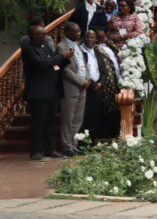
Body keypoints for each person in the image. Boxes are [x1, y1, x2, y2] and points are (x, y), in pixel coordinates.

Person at [23, 25, 72, 161]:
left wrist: (65, 59)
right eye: (41, 34)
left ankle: (50, 150)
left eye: (45, 34)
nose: (45, 36)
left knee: (50, 122)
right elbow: (42, 65)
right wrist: (60, 56)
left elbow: (53, 65)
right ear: (33, 36)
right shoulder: (29, 49)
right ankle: (36, 151)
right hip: (38, 92)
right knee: (38, 122)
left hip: (51, 91)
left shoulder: (46, 48)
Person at [57, 22, 88, 157]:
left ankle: (74, 144)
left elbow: (82, 64)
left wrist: (86, 79)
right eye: (76, 31)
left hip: (83, 87)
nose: (79, 34)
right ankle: (66, 146)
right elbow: (63, 70)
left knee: (78, 118)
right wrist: (80, 81)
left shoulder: (78, 46)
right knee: (68, 119)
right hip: (70, 87)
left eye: (79, 31)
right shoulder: (60, 46)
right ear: (68, 32)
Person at [81, 29, 117, 142]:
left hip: (98, 87)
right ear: (84, 38)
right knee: (85, 117)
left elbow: (104, 70)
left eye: (92, 38)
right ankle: (82, 142)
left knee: (95, 116)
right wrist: (92, 84)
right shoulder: (81, 51)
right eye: (88, 37)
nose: (90, 40)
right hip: (86, 87)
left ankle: (92, 140)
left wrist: (101, 82)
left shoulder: (97, 52)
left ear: (96, 40)